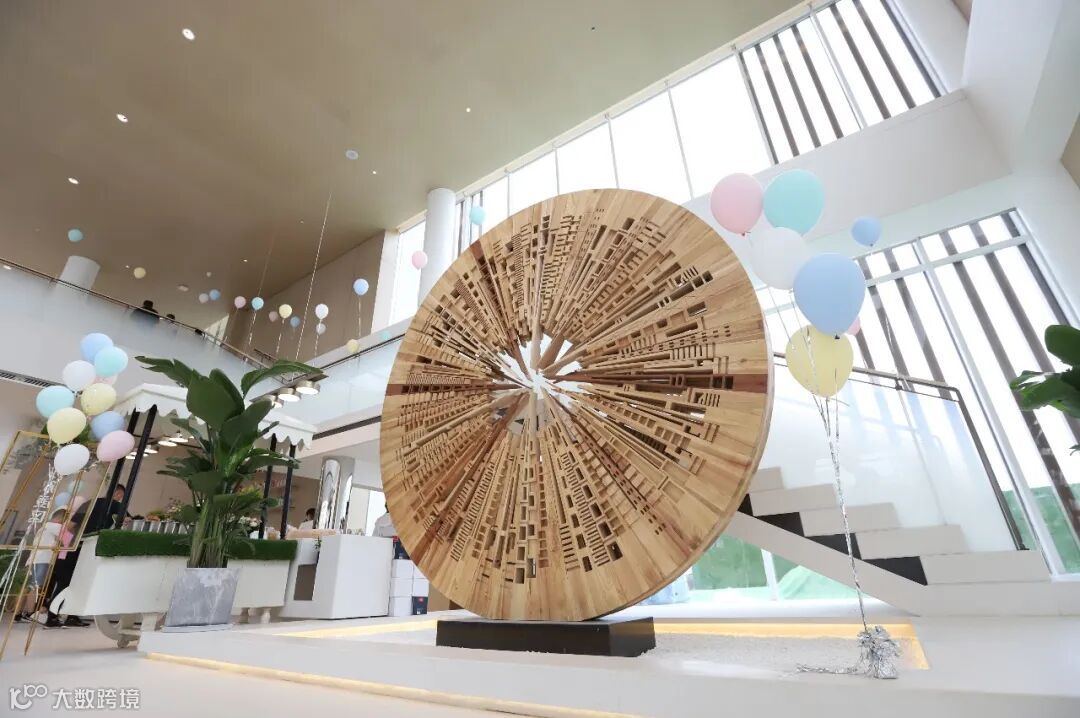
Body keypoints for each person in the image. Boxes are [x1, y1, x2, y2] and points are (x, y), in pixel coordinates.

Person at [18, 509, 69, 627]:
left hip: (35, 560)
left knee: (28, 587)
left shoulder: (44, 527)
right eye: (64, 520)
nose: (64, 523)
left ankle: (19, 613)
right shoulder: (54, 526)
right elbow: (68, 537)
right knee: (35, 587)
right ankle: (30, 613)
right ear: (60, 518)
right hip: (41, 560)